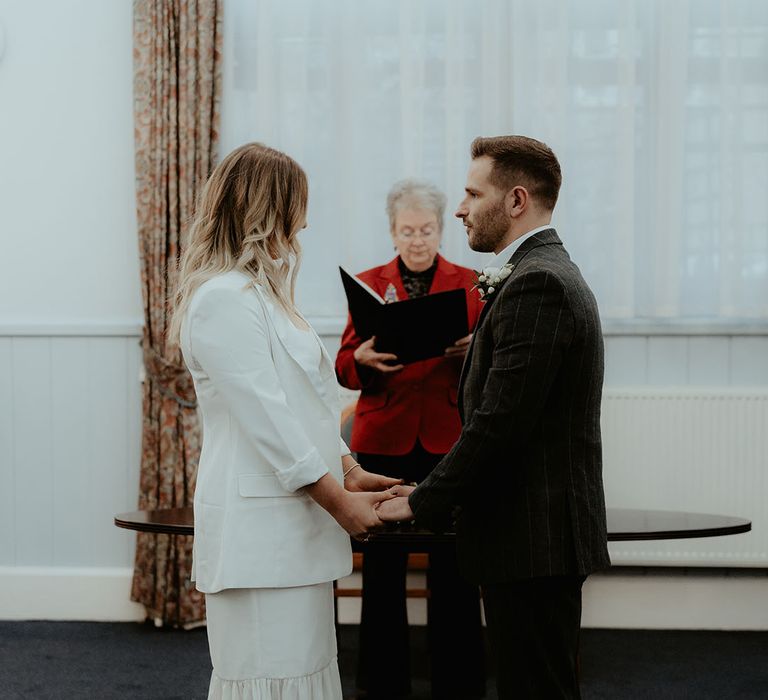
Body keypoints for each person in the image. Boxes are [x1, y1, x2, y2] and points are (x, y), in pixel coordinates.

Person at [378, 136, 611, 699]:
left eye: (471, 193)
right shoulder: (539, 272)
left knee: (537, 688)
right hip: (529, 534)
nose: (458, 208)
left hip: (535, 535)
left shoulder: (538, 283)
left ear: (515, 201)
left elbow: (500, 421)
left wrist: (421, 499)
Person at [168, 142, 401, 700]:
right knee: (268, 681)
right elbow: (266, 418)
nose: (306, 218)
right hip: (258, 534)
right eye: (298, 204)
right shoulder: (222, 299)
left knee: (306, 672)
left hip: (297, 525)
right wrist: (340, 502)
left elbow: (310, 403)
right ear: (265, 209)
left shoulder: (268, 298)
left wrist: (349, 469)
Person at [335, 179, 486, 699]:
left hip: (447, 442)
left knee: (454, 568)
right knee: (382, 570)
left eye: (426, 230)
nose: (417, 240)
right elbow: (341, 367)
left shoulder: (471, 282)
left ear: (442, 229)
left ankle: (459, 683)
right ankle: (381, 687)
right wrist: (361, 360)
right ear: (392, 231)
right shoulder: (369, 284)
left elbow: (497, 369)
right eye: (407, 231)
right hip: (384, 440)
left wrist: (473, 352)